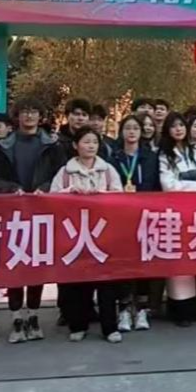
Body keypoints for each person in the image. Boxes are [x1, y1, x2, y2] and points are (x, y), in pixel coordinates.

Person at [0, 98, 67, 342]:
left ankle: (33, 315)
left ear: (40, 116)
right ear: (17, 116)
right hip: (12, 213)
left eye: (34, 111)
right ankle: (16, 318)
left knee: (37, 265)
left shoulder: (53, 145)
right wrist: (10, 188)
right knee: (15, 265)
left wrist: (46, 187)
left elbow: (62, 174)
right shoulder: (1, 146)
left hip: (43, 213)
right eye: (25, 112)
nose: (29, 116)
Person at [49, 126, 125, 342]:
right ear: (75, 145)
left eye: (94, 142)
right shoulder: (65, 172)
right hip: (76, 235)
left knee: (107, 284)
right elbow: (52, 199)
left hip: (104, 233)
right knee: (78, 283)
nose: (90, 146)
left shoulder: (108, 170)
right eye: (86, 142)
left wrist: (101, 195)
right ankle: (78, 325)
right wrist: (69, 193)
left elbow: (120, 198)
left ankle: (110, 328)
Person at [158, 111, 196, 326]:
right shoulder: (164, 155)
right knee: (180, 262)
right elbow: (168, 184)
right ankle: (180, 309)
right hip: (178, 213)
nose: (178, 130)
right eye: (173, 126)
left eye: (181, 126)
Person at [110, 115, 163, 331]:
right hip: (121, 217)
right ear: (121, 131)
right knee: (124, 263)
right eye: (128, 128)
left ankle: (142, 309)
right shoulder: (114, 157)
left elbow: (158, 186)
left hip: (146, 216)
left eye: (135, 128)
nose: (131, 132)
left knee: (144, 263)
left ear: (142, 133)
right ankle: (124, 309)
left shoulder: (151, 157)